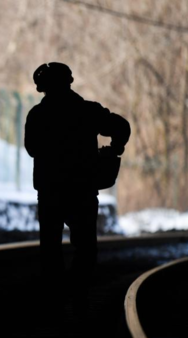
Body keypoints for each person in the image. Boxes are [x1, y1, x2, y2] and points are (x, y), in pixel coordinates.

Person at [25, 62, 130, 301]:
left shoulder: (37, 115)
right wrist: (115, 148)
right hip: (82, 188)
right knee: (85, 244)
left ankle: (55, 293)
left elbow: (32, 149)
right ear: (69, 82)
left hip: (50, 189)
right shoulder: (88, 111)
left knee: (50, 244)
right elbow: (121, 126)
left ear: (42, 87)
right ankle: (79, 291)